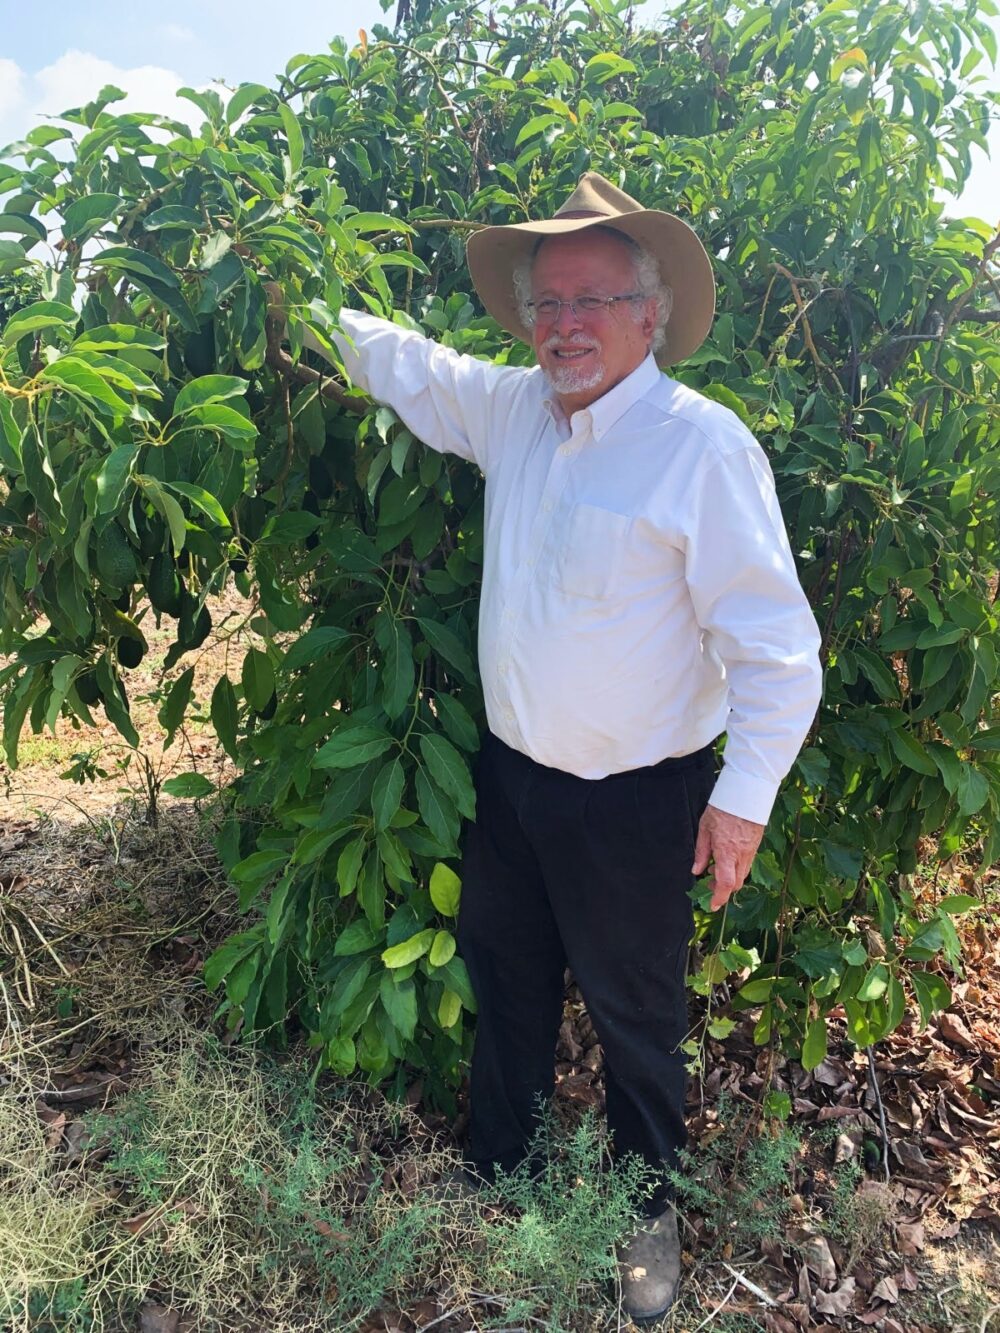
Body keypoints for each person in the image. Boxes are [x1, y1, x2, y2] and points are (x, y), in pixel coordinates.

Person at [278, 171, 823, 1322]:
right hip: (514, 782)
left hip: (638, 802)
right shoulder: (516, 408)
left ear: (649, 312)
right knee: (509, 986)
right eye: (546, 304)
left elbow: (777, 649)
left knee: (636, 1023)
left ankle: (645, 1222)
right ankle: (501, 1177)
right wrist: (298, 286)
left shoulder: (701, 451)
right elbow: (415, 369)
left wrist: (742, 800)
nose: (563, 325)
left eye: (592, 299)